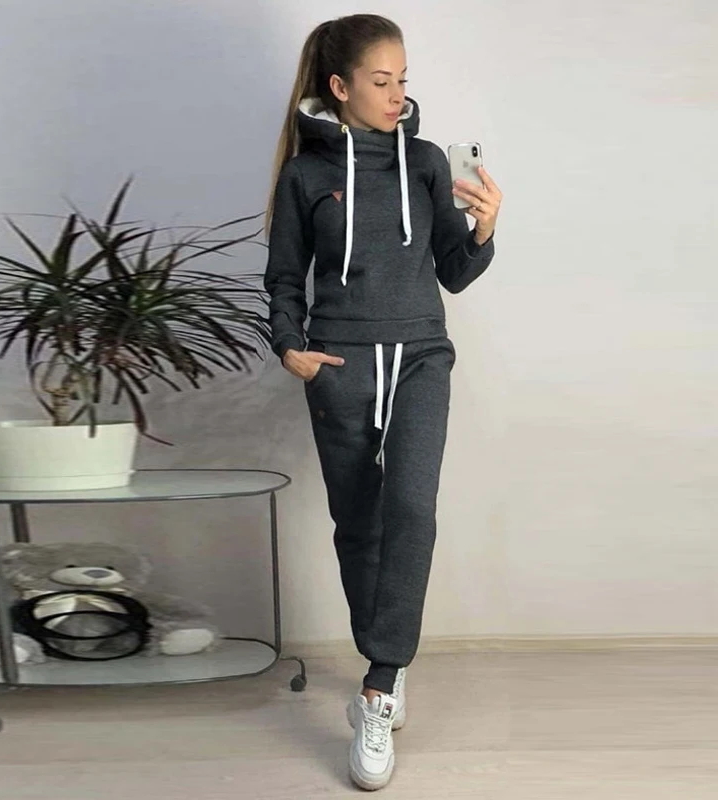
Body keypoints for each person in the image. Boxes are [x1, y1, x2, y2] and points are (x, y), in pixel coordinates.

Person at [263, 13, 501, 791]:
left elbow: (453, 272)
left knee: (411, 510)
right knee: (358, 523)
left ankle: (379, 684)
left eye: (403, 79)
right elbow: (284, 276)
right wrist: (291, 347)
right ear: (340, 86)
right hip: (338, 363)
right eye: (381, 80)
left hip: (421, 355)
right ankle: (387, 662)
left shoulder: (425, 161)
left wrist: (484, 231)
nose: (398, 94)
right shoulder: (305, 175)